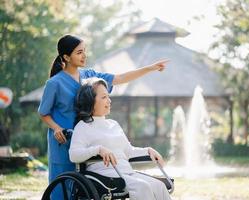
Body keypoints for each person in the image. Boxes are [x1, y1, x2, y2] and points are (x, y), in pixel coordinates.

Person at [38, 34, 168, 199]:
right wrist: (56, 128)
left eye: (84, 51)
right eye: (79, 52)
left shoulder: (89, 76)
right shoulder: (54, 83)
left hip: (91, 135)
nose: (84, 55)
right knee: (63, 190)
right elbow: (43, 112)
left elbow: (119, 78)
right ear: (66, 57)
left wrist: (150, 68)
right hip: (64, 140)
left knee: (86, 186)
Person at [69, 78, 172, 200]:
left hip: (125, 173)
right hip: (104, 176)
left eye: (108, 96)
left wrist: (148, 151)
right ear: (90, 101)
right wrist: (98, 149)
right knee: (142, 186)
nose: (109, 100)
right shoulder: (83, 126)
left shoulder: (113, 124)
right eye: (104, 97)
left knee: (159, 186)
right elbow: (73, 155)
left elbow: (128, 151)